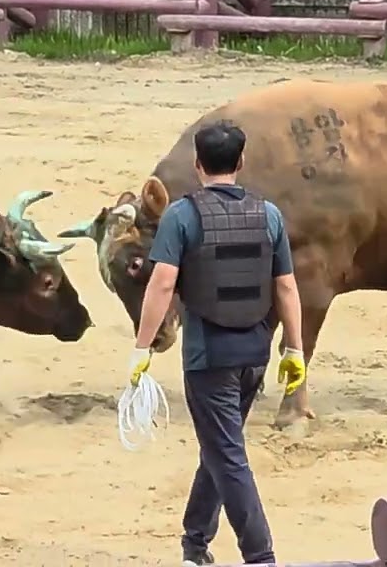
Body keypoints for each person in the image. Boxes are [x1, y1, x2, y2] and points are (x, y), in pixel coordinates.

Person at [128, 121, 307, 567]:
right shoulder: (269, 214)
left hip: (210, 358)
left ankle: (260, 557)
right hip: (255, 355)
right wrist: (295, 349)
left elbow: (162, 284)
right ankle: (195, 545)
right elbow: (286, 287)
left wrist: (142, 347)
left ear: (197, 164)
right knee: (219, 445)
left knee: (227, 456)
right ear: (241, 162)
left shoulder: (182, 216)